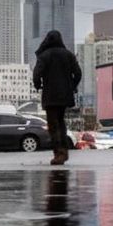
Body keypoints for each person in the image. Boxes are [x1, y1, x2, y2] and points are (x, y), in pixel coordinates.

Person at [32, 30, 82, 166]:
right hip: (65, 95)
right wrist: (72, 86)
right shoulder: (69, 55)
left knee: (53, 125)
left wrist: (38, 85)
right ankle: (64, 151)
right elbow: (78, 73)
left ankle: (59, 153)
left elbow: (36, 74)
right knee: (61, 122)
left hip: (50, 95)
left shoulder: (44, 55)